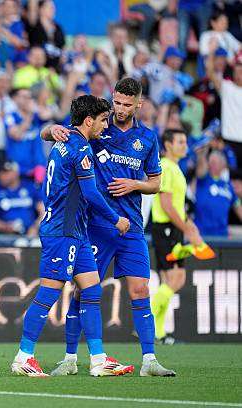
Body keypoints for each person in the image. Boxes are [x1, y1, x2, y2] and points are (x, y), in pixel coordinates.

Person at [44, 78, 175, 377]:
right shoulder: (98, 126)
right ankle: (69, 358)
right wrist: (50, 129)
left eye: (127, 104)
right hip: (97, 225)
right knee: (84, 290)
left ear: (139, 104)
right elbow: (58, 134)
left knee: (141, 289)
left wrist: (136, 184)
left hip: (131, 226)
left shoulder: (148, 139)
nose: (120, 109)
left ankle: (150, 360)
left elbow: (156, 183)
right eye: (117, 102)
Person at [11, 94, 133, 377]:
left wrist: (49, 128)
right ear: (89, 120)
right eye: (103, 120)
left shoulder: (63, 140)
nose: (106, 125)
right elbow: (90, 193)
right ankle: (23, 356)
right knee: (49, 291)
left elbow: (47, 134)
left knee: (91, 289)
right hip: (62, 232)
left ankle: (98, 359)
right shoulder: (81, 149)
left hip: (75, 232)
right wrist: (116, 220)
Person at [151, 129, 204, 343]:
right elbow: (166, 205)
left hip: (171, 228)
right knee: (176, 278)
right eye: (180, 141)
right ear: (168, 144)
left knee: (169, 279)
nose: (185, 145)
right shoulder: (165, 166)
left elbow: (177, 206)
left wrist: (190, 227)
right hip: (166, 228)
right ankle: (146, 319)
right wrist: (186, 228)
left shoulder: (175, 168)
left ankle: (159, 334)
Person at [0, 161, 44, 236]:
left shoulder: (30, 187)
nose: (2, 175)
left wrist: (35, 227)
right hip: (5, 236)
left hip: (30, 234)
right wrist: (4, 227)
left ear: (16, 173)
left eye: (6, 172)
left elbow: (43, 213)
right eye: (1, 172)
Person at [193, 148, 242, 236]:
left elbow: (237, 206)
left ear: (223, 165)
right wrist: (202, 155)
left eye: (215, 162)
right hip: (201, 233)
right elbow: (200, 169)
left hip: (221, 235)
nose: (212, 165)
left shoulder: (228, 185)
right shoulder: (203, 178)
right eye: (210, 162)